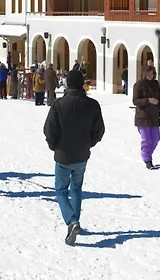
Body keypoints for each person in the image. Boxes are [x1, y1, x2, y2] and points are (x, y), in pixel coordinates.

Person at [43, 70, 105, 246]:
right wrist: (88, 143)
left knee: (61, 190)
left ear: (68, 84)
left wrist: (54, 145)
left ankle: (72, 221)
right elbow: (99, 130)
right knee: (76, 189)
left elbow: (49, 129)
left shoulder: (59, 104)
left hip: (63, 154)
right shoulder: (92, 104)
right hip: (82, 154)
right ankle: (75, 221)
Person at [132, 65, 160, 169]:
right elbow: (135, 101)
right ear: (144, 74)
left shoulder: (156, 83)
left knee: (156, 138)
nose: (150, 75)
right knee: (146, 139)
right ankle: (147, 160)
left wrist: (159, 106)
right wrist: (148, 100)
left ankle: (147, 154)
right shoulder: (139, 84)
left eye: (152, 73)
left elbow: (159, 97)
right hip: (143, 116)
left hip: (154, 116)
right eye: (148, 73)